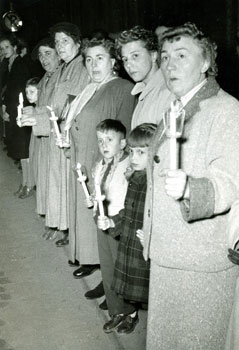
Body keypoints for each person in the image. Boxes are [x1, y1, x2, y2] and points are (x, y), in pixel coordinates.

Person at [142, 22, 239, 350]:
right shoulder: (176, 107)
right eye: (165, 57)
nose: (170, 65)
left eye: (182, 55)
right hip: (169, 250)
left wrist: (190, 189)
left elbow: (229, 182)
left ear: (207, 62)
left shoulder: (227, 110)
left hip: (200, 259)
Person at [65, 37, 136, 279]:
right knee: (91, 220)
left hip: (107, 166)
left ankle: (109, 279)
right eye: (88, 59)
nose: (93, 64)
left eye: (100, 58)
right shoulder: (90, 87)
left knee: (106, 224)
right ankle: (93, 263)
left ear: (113, 61)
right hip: (87, 161)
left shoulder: (122, 88)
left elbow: (125, 132)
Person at [22, 23, 89, 242]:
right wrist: (33, 113)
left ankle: (66, 228)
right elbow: (52, 104)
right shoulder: (64, 69)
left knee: (63, 183)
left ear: (77, 43)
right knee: (55, 182)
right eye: (57, 42)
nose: (60, 46)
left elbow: (64, 107)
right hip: (54, 133)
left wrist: (37, 116)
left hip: (66, 135)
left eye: (64, 42)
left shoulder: (80, 67)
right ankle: (59, 224)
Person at [97, 123, 156, 335]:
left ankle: (131, 315)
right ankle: (121, 314)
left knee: (137, 285)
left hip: (142, 243)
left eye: (141, 152)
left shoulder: (154, 183)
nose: (134, 157)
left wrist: (152, 235)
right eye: (132, 152)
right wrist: (113, 223)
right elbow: (127, 212)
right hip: (128, 239)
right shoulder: (135, 178)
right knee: (123, 280)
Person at [21, 37, 61, 225]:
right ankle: (51, 221)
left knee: (55, 182)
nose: (43, 59)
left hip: (54, 135)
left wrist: (36, 114)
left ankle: (58, 225)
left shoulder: (60, 76)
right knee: (44, 178)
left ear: (58, 55)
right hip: (43, 133)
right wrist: (31, 111)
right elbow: (42, 105)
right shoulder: (46, 77)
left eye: (48, 53)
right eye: (40, 54)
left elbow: (57, 109)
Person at [116, 26, 173, 129]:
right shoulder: (143, 92)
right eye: (125, 59)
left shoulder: (167, 91)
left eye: (135, 56)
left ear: (153, 56)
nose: (129, 65)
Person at [0, 34, 31, 165]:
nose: (4, 51)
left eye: (7, 47)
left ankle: (28, 181)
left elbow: (18, 92)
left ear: (15, 47)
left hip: (17, 109)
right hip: (12, 107)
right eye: (1, 49)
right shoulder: (10, 63)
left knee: (22, 146)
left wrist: (9, 110)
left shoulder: (20, 64)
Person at [15, 77, 40, 199]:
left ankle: (29, 184)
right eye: (26, 92)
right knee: (25, 154)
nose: (28, 95)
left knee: (30, 157)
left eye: (32, 92)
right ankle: (25, 182)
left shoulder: (40, 106)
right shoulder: (30, 106)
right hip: (30, 136)